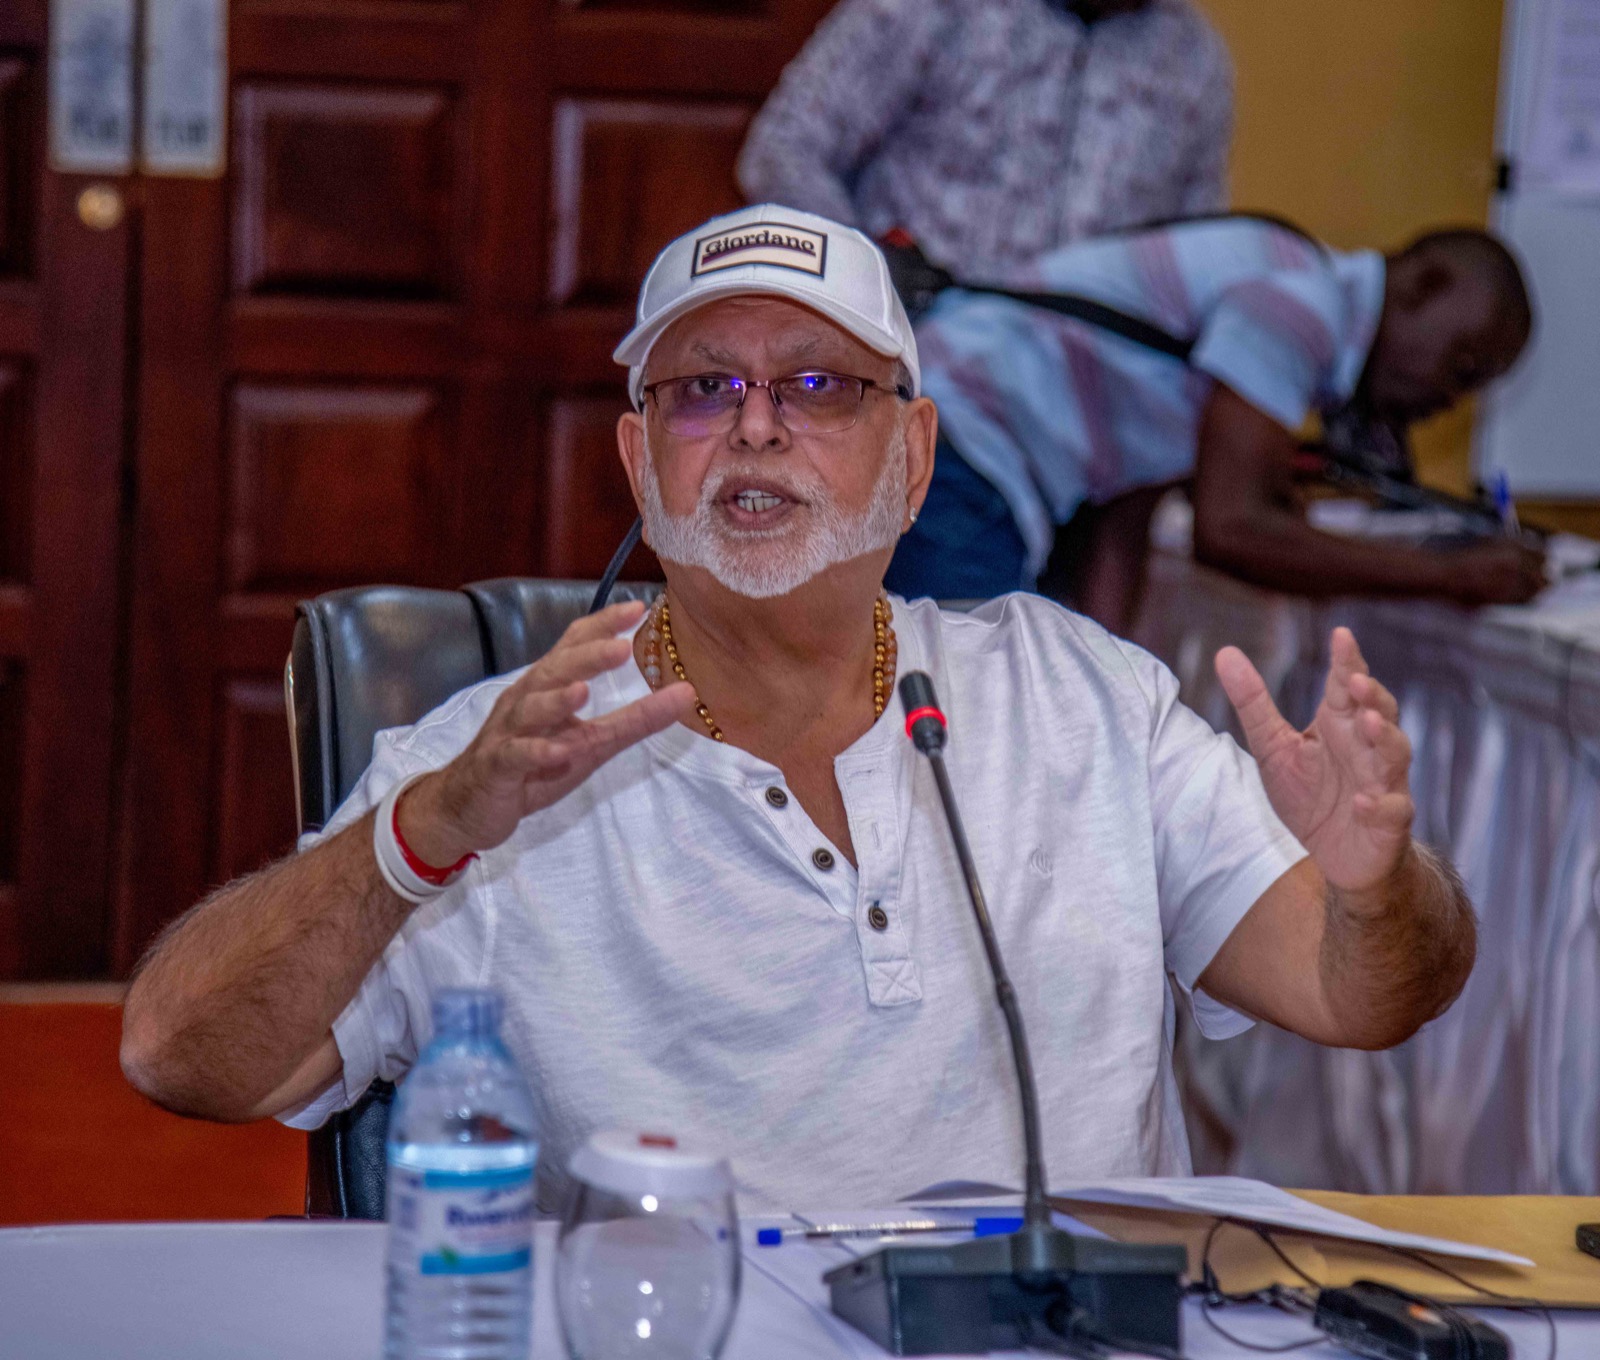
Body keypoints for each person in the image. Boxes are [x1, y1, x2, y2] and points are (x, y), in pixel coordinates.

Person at [121, 205, 1476, 1212]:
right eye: (703, 389)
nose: (757, 427)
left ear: (917, 454)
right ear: (638, 459)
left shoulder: (1081, 696)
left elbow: (1365, 996)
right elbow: (179, 1055)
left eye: (820, 385)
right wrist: (421, 835)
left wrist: (1375, 887)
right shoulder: (496, 767)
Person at [884, 218, 1546, 632]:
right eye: (1462, 367)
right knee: (974, 728)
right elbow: (1232, 530)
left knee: (991, 716)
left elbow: (1124, 515)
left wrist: (1108, 688)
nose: (1450, 400)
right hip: (962, 450)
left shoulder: (1289, 280)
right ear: (1424, 285)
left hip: (949, 441)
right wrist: (1451, 578)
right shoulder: (1302, 306)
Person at [736, 0, 1233, 279]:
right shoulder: (934, 8)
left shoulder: (1193, 59)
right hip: (913, 361)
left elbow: (1190, 257)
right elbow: (782, 148)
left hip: (1090, 392)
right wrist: (869, 276)